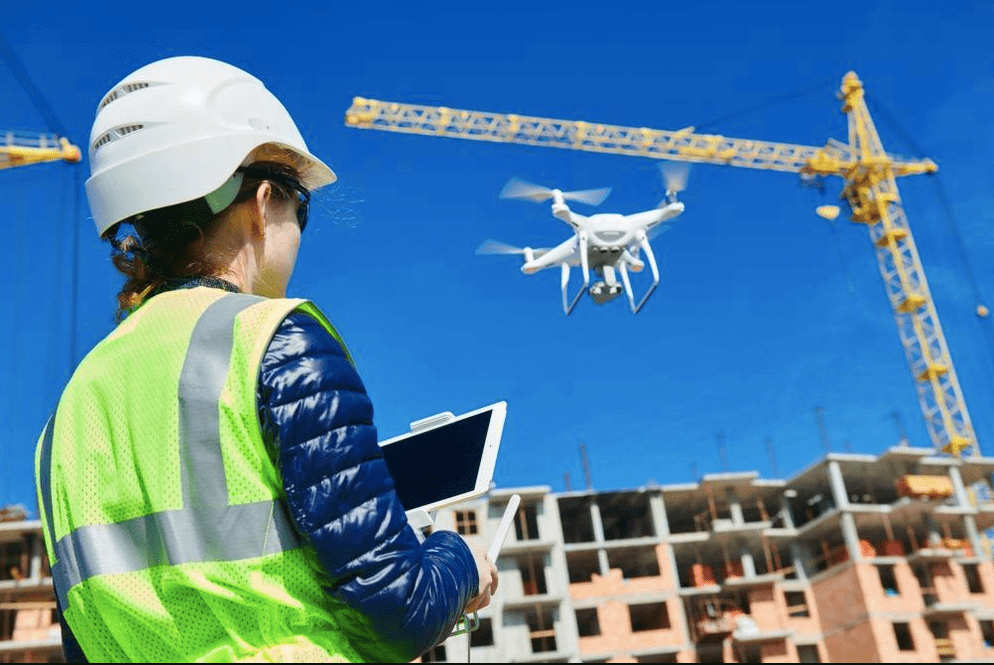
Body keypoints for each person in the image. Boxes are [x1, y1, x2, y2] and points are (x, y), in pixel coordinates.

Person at [34, 55, 497, 663]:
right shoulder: (272, 339)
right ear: (261, 201)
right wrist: (460, 562)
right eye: (299, 205)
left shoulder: (65, 418)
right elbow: (397, 609)